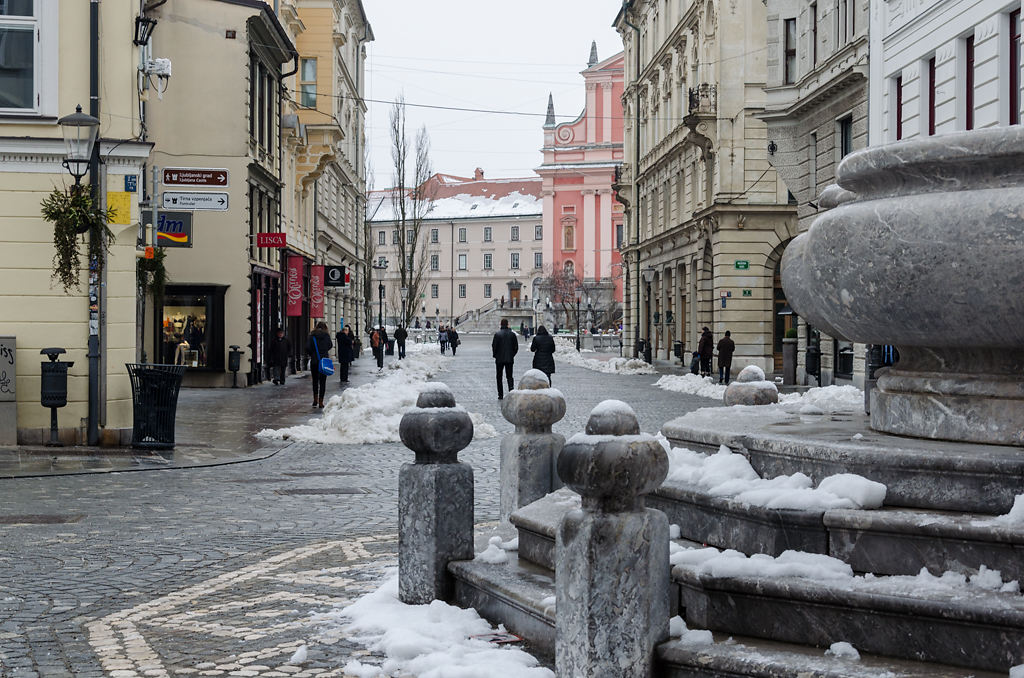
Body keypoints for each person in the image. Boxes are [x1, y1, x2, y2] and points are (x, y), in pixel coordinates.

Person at [306, 322, 333, 408]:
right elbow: (330, 345)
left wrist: (313, 354)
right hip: (324, 361)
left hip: (315, 361)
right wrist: (324, 352)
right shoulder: (326, 336)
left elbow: (307, 348)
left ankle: (315, 399)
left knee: (315, 381)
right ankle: (321, 401)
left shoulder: (312, 336)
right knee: (323, 382)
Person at [492, 318, 519, 399]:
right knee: (510, 376)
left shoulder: (497, 334)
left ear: (501, 324)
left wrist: (495, 355)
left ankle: (500, 394)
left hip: (499, 359)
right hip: (509, 359)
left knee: (499, 376)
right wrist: (512, 355)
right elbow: (516, 347)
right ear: (507, 325)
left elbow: (494, 346)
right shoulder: (512, 334)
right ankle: (511, 391)